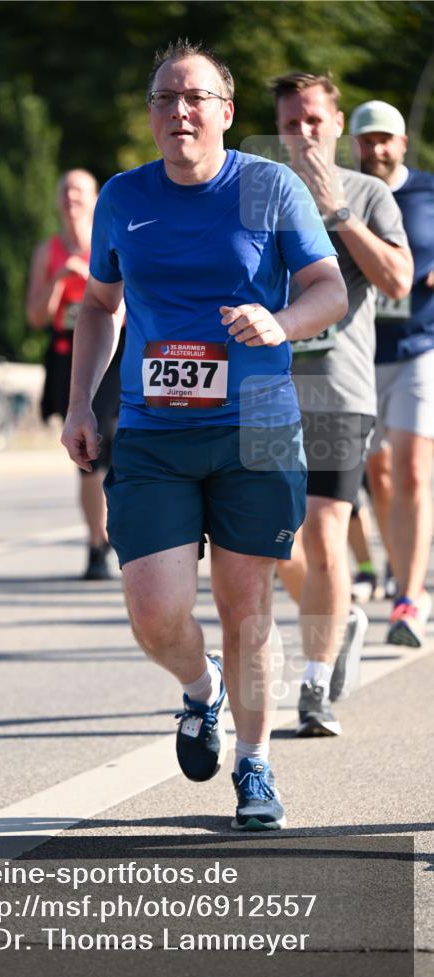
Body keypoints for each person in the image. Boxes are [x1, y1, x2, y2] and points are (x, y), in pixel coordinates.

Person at [61, 40, 347, 831]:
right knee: (154, 613)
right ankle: (201, 688)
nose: (178, 111)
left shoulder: (269, 187)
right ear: (150, 114)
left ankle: (254, 763)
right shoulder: (123, 196)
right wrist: (80, 403)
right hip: (153, 431)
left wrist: (280, 321)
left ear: (225, 111)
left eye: (194, 98)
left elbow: (327, 288)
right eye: (164, 98)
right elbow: (99, 304)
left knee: (245, 605)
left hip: (256, 429)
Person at [271, 73, 413, 735]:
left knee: (326, 529)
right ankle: (340, 619)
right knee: (273, 542)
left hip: (337, 388)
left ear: (336, 126)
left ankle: (313, 685)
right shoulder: (256, 194)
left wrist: (338, 213)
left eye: (313, 121)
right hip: (265, 391)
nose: (303, 134)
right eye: (290, 124)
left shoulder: (368, 192)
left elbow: (397, 280)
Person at [349, 100, 434, 647]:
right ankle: (391, 564)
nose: (377, 149)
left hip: (419, 348)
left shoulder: (428, 191)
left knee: (412, 473)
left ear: (402, 143)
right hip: (358, 353)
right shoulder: (341, 196)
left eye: (386, 139)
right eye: (367, 139)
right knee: (376, 478)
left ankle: (409, 596)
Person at [27, 170, 123, 581]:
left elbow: (132, 303)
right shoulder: (47, 251)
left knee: (117, 445)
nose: (71, 198)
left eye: (79, 191)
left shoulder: (111, 241)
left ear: (95, 198)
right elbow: (36, 317)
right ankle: (96, 543)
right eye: (64, 191)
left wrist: (91, 284)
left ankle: (117, 533)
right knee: (89, 451)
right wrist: (59, 280)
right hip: (69, 356)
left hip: (115, 352)